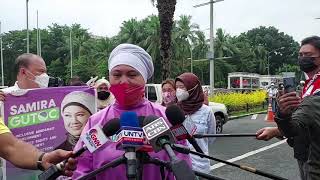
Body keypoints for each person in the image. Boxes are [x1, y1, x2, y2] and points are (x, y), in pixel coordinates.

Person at [73, 44, 190, 180]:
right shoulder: (96, 122)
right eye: (116, 75)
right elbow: (81, 169)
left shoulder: (166, 118)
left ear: (144, 79)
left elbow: (183, 167)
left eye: (132, 74)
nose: (123, 81)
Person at [0, 53, 77, 176]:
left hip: (43, 165)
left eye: (45, 72)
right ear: (23, 72)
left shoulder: (51, 97)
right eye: (40, 72)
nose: (45, 76)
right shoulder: (4, 99)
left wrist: (43, 158)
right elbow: (10, 147)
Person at [257, 36, 320, 179]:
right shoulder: (310, 83)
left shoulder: (318, 88)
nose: (303, 58)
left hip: (314, 159)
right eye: (300, 55)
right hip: (304, 153)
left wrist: (283, 115)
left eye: (308, 55)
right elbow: (307, 123)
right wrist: (276, 130)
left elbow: (295, 128)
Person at [175, 72, 216, 174]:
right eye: (176, 87)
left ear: (193, 88)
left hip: (200, 166)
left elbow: (211, 137)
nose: (178, 91)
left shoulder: (206, 111)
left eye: (182, 87)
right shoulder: (174, 110)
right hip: (180, 168)